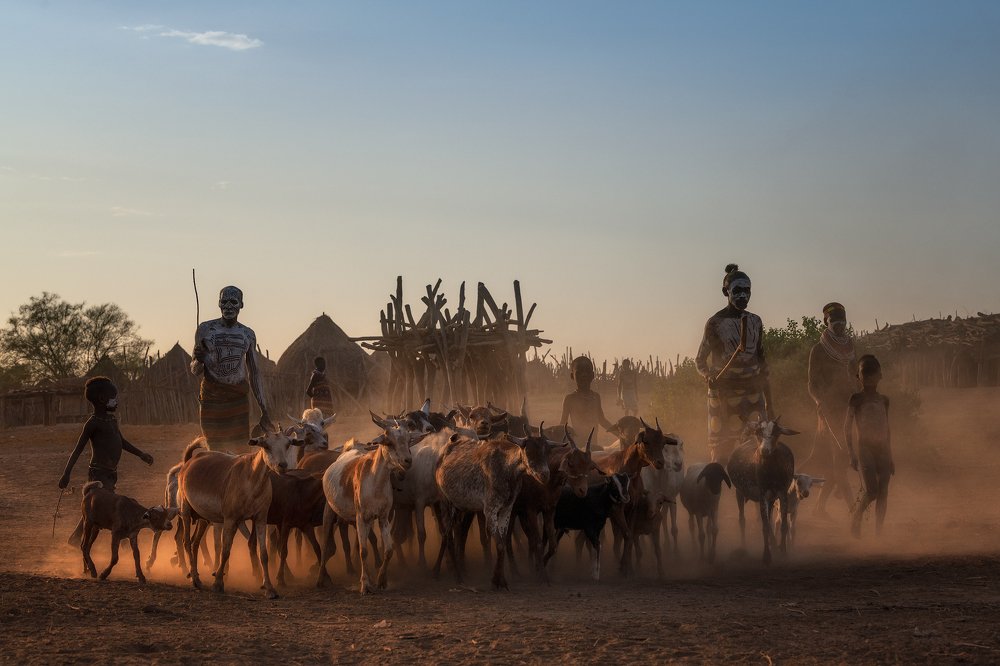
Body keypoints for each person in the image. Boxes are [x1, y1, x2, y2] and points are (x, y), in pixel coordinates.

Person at [58, 376, 154, 545]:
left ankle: (77, 537)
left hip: (111, 473)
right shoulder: (93, 423)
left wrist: (140, 454)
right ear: (102, 399)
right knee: (105, 506)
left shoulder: (111, 420)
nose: (116, 400)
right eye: (113, 397)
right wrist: (66, 474)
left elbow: (121, 442)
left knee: (96, 508)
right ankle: (121, 537)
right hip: (98, 473)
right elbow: (78, 449)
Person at [695, 264, 772, 463]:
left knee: (760, 445)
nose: (743, 296)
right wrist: (708, 376)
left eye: (747, 291)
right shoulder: (715, 323)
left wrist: (766, 386)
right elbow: (700, 360)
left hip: (754, 391)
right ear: (726, 292)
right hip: (724, 392)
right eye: (737, 291)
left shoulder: (755, 321)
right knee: (722, 449)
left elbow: (760, 356)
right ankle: (720, 489)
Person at [191, 285, 273, 448]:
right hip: (212, 398)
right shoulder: (205, 330)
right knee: (214, 447)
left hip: (238, 398)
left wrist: (264, 408)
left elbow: (254, 373)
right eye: (224, 302)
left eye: (233, 302)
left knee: (241, 447)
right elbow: (194, 370)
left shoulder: (247, 334)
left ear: (241, 305)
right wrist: (200, 359)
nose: (228, 306)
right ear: (219, 304)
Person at [807, 302, 856, 517]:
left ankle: (819, 508)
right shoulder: (818, 350)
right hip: (828, 410)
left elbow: (856, 376)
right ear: (826, 322)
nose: (839, 326)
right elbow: (811, 384)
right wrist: (819, 401)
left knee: (839, 462)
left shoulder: (851, 347)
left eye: (842, 323)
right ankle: (855, 511)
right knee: (839, 457)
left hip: (849, 408)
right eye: (835, 323)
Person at [845, 354, 894, 537]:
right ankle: (856, 519)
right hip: (865, 448)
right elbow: (847, 428)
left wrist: (891, 457)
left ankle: (878, 534)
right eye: (866, 375)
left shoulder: (884, 400)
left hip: (883, 450)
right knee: (872, 491)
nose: (870, 379)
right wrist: (851, 453)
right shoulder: (856, 399)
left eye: (873, 374)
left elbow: (887, 428)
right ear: (859, 378)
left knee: (883, 492)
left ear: (880, 376)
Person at [560, 356, 614, 444]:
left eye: (587, 372)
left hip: (593, 445)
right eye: (579, 372)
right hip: (577, 447)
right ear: (572, 376)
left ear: (592, 375)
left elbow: (602, 420)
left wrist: (620, 434)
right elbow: (562, 425)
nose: (584, 375)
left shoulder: (596, 397)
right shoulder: (570, 399)